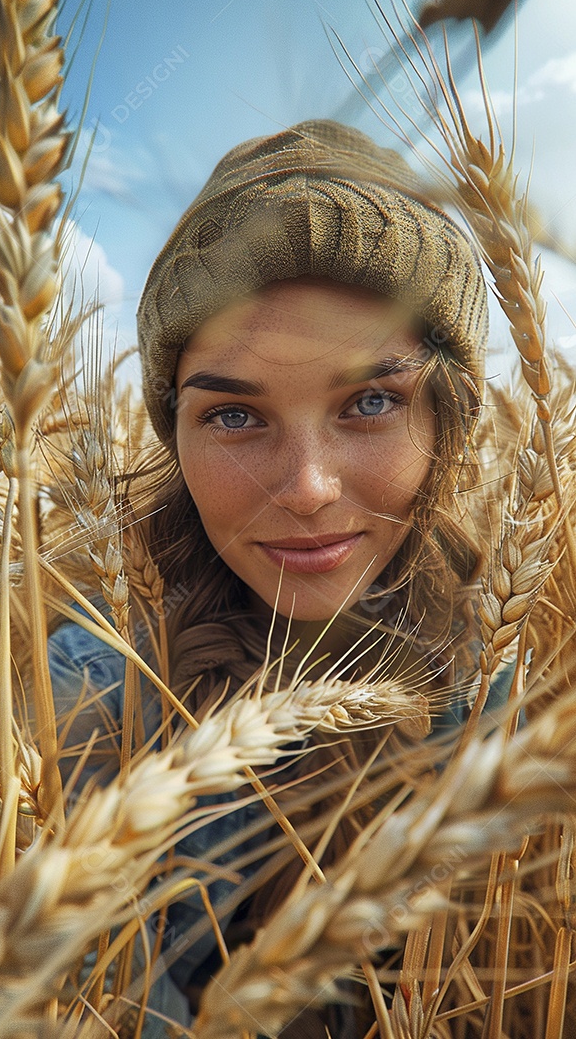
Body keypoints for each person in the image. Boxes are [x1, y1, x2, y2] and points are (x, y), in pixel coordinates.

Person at [48, 119, 505, 1037]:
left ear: (447, 422)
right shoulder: (88, 684)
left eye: (371, 402)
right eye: (233, 416)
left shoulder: (519, 696)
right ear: (173, 432)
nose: (305, 489)